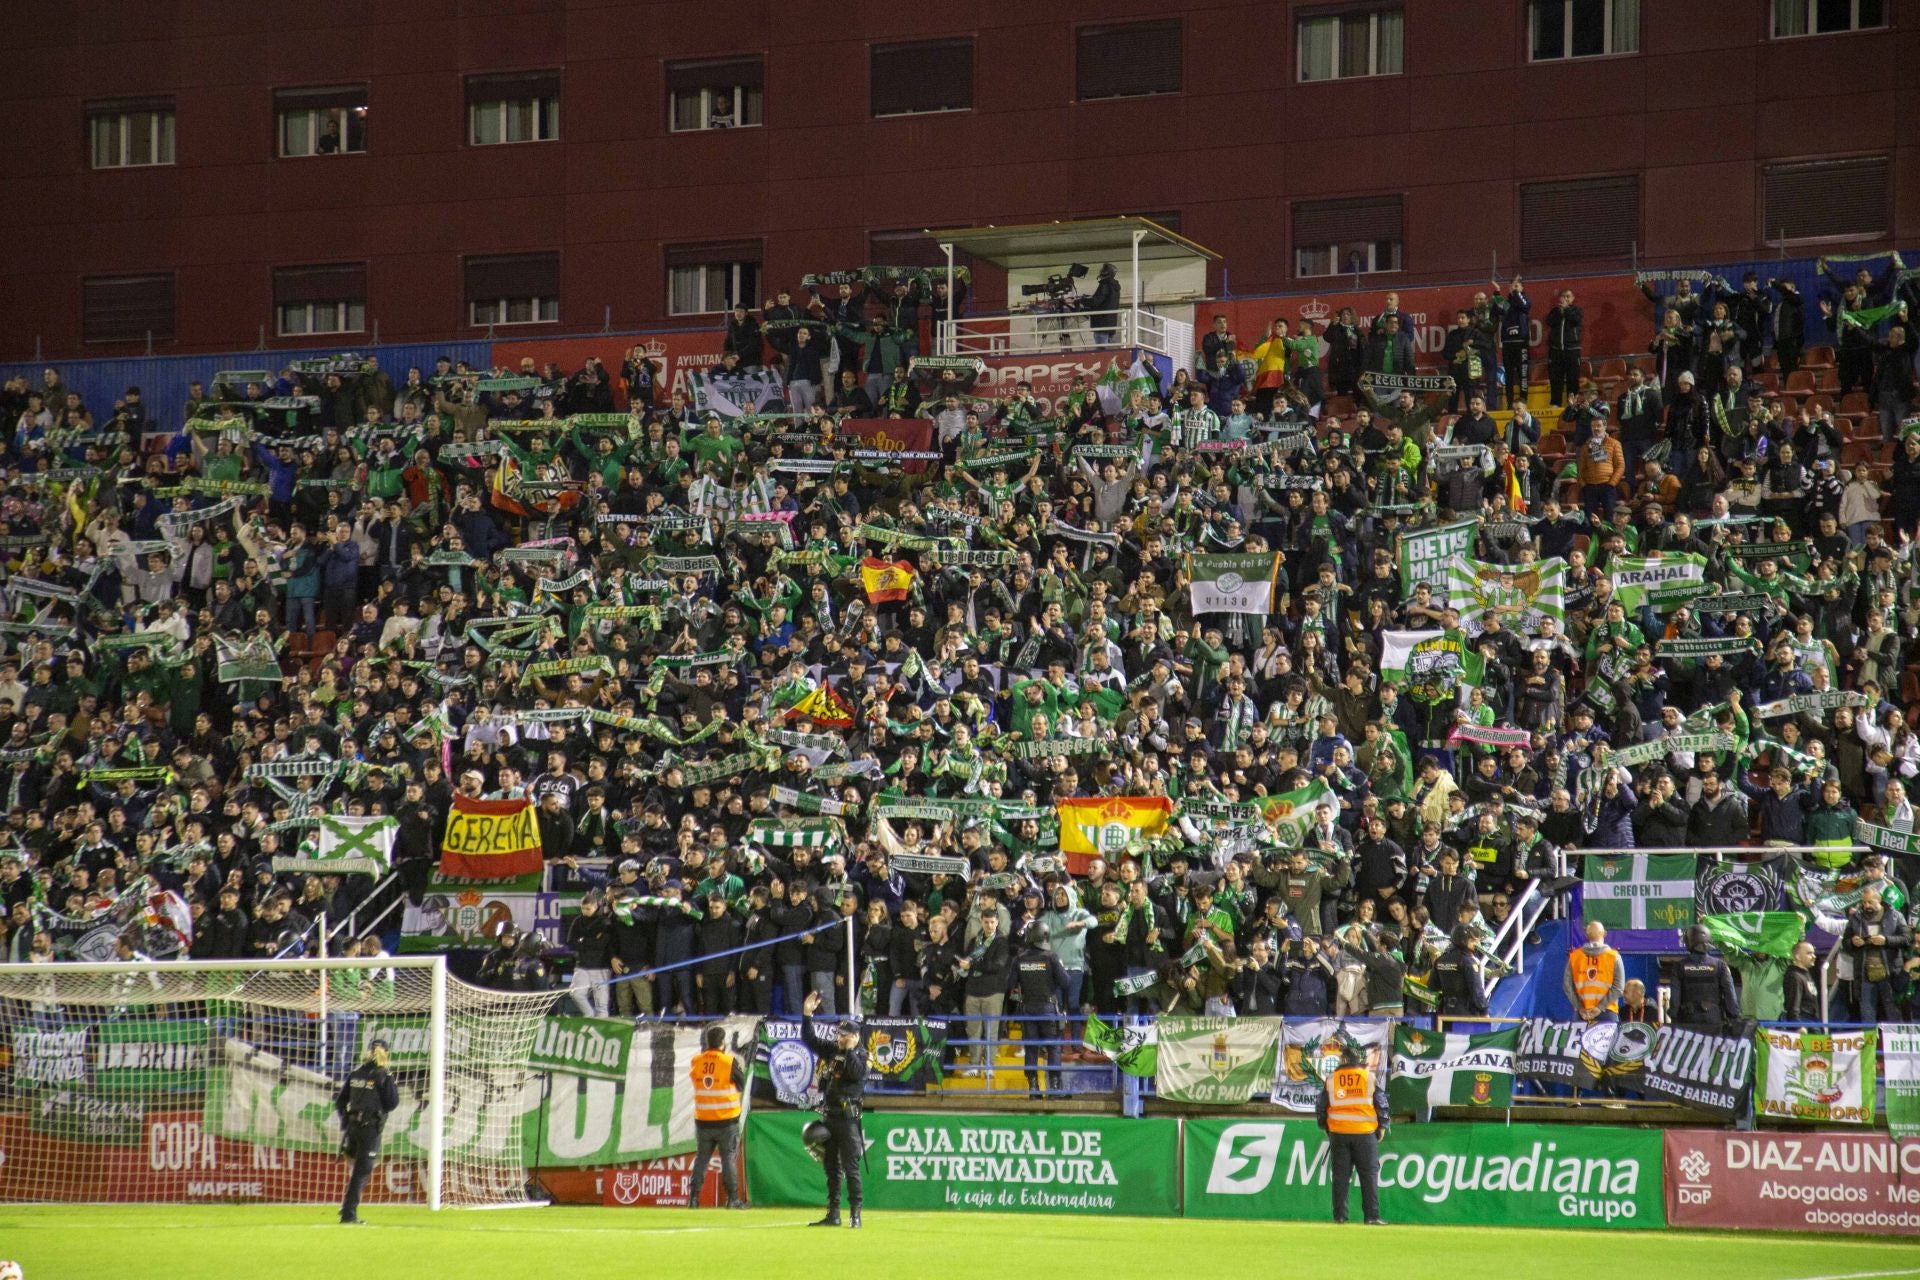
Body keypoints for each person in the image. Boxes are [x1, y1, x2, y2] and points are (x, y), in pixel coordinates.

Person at [800, 989, 866, 1228]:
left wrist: (848, 1051)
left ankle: (856, 1214)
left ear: (856, 1036)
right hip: (830, 1117)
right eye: (840, 1034)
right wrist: (807, 1015)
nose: (841, 1038)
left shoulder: (861, 1055)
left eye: (846, 1035)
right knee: (832, 1169)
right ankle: (833, 1213)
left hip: (848, 1120)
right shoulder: (832, 1050)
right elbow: (810, 1040)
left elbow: (856, 1073)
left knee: (851, 1168)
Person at [1314, 1038, 1388, 1226]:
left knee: (1340, 1176)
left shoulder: (1331, 1080)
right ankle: (1371, 1216)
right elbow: (1381, 1103)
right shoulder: (1368, 1077)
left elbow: (1321, 1106)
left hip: (1339, 1133)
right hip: (1364, 1133)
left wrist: (1325, 1127)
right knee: (1369, 1175)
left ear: (1343, 1061)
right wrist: (1382, 1126)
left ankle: (1340, 1216)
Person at [335, 1037, 399, 1225]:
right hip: (370, 1127)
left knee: (356, 1167)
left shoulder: (355, 1074)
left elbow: (340, 1101)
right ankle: (348, 1212)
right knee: (363, 1170)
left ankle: (347, 1205)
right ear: (385, 1053)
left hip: (353, 1127)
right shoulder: (383, 1075)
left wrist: (346, 1121)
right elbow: (393, 1103)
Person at [687, 1024, 748, 1209]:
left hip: (703, 1120)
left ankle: (693, 1199)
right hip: (726, 1121)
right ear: (723, 1042)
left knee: (701, 1159)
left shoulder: (696, 1061)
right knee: (728, 1159)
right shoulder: (728, 1062)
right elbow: (742, 1082)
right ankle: (732, 1199)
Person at [1844, 887, 1911, 1022]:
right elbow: (1845, 943)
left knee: (1893, 1014)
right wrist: (1852, 942)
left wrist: (1886, 940)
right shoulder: (1855, 918)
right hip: (1865, 975)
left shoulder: (1895, 916)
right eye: (1864, 903)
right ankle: (1870, 1043)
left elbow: (1906, 939)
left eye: (1870, 902)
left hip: (1889, 974)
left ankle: (1894, 1040)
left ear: (1879, 899)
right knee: (1867, 1015)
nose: (1866, 906)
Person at [1671, 924, 1738, 1031]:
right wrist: (1733, 1016)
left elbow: (1674, 999)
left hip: (1688, 1019)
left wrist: (1674, 1018)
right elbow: (1730, 993)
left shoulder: (1679, 966)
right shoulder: (1720, 965)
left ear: (1689, 942)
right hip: (1713, 1019)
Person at [1565, 920, 1622, 1024]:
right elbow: (1618, 988)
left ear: (1586, 935)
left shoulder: (1574, 957)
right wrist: (1599, 1008)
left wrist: (1580, 1007)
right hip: (1607, 1012)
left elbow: (1567, 986)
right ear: (1604, 933)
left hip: (1582, 1014)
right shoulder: (1614, 957)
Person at [1432, 925, 1488, 1017]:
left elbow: (1433, 986)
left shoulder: (1440, 960)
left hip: (1444, 1012)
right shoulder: (1468, 962)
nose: (1477, 943)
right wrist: (1484, 1011)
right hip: (1465, 1014)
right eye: (1473, 940)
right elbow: (1477, 991)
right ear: (1464, 941)